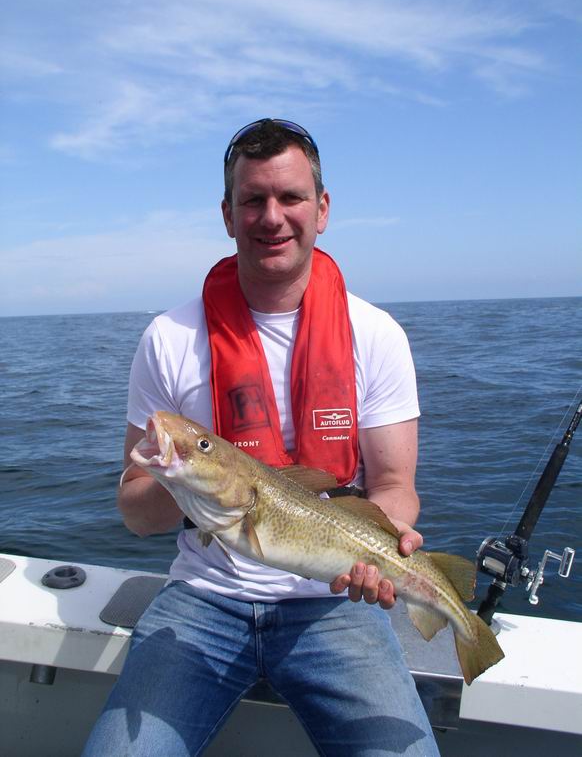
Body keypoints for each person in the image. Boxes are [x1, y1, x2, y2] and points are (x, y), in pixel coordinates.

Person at [83, 119, 440, 756]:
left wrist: (383, 548)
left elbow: (392, 487)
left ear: (322, 209)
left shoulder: (376, 335)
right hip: (203, 600)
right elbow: (136, 516)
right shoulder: (169, 339)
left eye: (291, 198)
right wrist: (176, 474)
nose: (271, 217)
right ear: (227, 214)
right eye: (253, 200)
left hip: (336, 604)